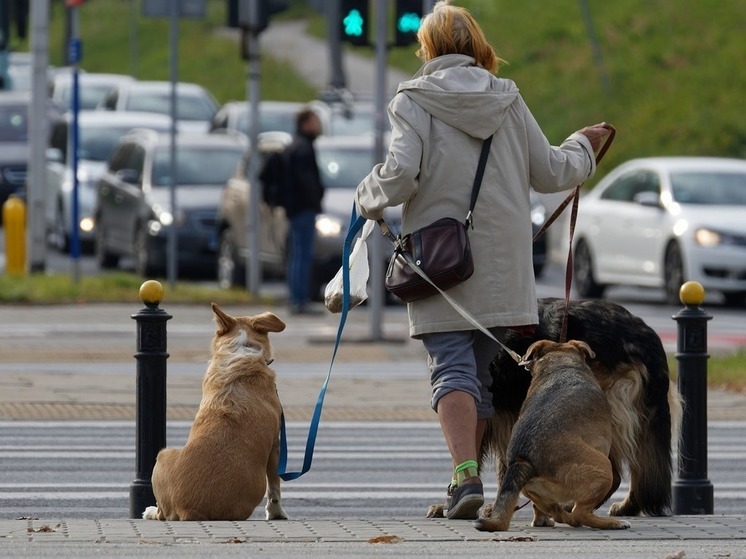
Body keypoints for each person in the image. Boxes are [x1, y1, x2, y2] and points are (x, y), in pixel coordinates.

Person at [354, 1, 612, 520]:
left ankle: (464, 478)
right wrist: (584, 147)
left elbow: (401, 174)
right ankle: (464, 482)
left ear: (428, 49)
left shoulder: (413, 99)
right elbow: (552, 170)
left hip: (442, 263)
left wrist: (367, 195)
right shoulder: (508, 98)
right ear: (478, 46)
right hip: (501, 268)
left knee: (450, 369)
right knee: (479, 374)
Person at [282, 108, 325, 314]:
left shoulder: (295, 145)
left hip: (295, 209)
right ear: (305, 123)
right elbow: (306, 181)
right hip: (303, 209)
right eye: (315, 121)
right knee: (302, 255)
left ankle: (296, 298)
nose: (318, 125)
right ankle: (300, 300)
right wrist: (315, 199)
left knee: (297, 254)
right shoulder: (303, 148)